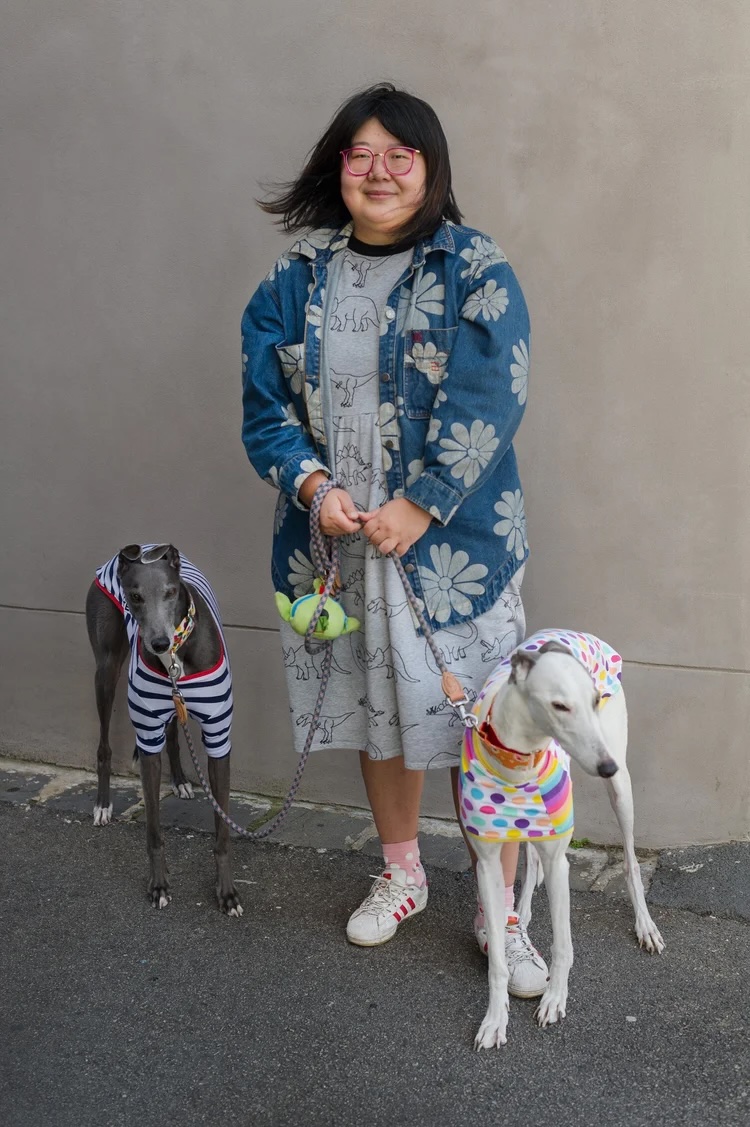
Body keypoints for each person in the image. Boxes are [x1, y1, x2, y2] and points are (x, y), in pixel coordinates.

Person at [241, 83, 546, 997]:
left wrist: (424, 500)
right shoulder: (292, 280)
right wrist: (311, 484)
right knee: (382, 709)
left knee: (484, 727)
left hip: (455, 552)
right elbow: (266, 410)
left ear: (429, 166)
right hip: (339, 542)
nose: (378, 172)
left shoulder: (475, 268)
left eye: (398, 155)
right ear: (337, 167)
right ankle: (404, 870)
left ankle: (506, 910)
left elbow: (496, 394)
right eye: (359, 154)